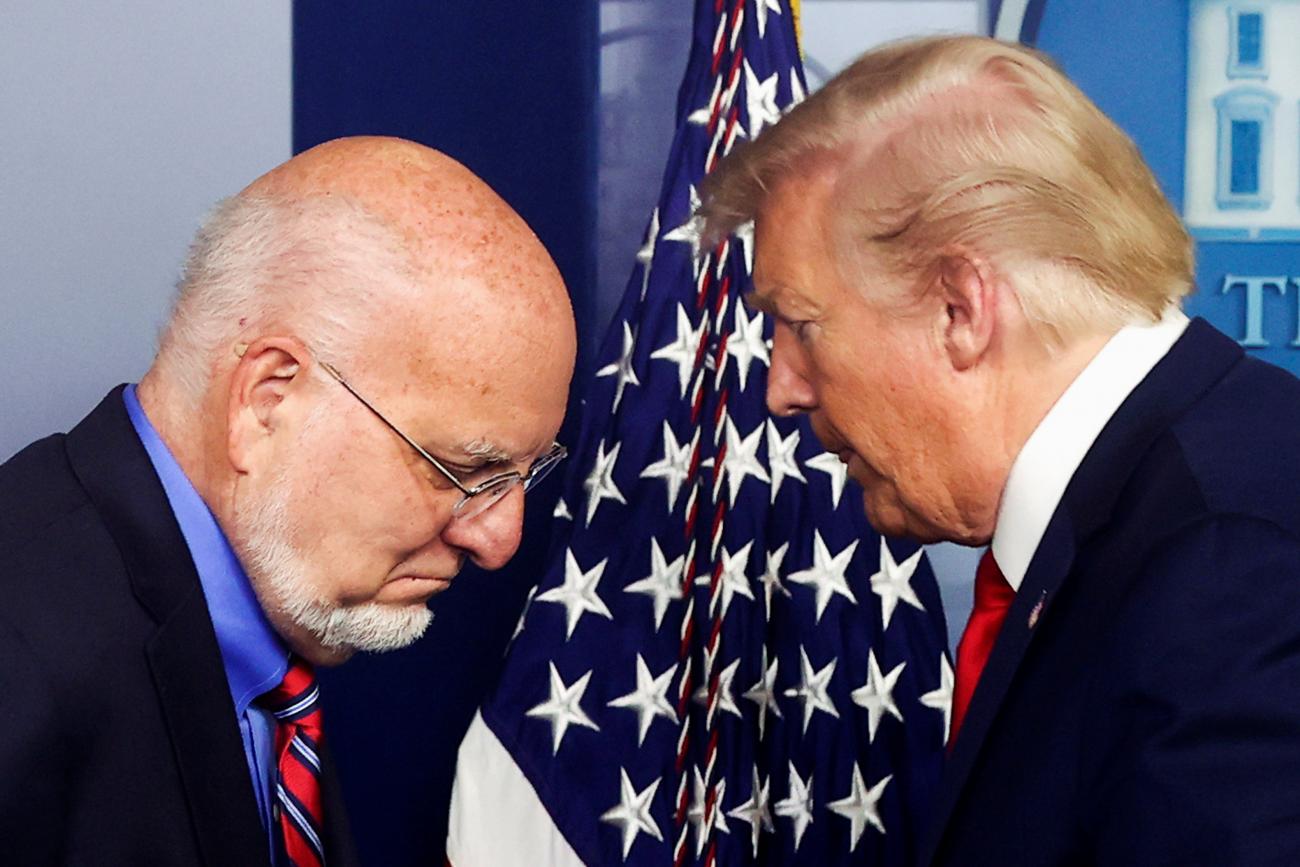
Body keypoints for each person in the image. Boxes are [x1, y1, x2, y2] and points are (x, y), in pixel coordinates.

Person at [700, 35, 1300, 865]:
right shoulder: (1150, 521)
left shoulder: (1227, 564)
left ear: (960, 308)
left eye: (800, 323)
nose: (783, 388)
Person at [0, 136, 576, 866]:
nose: (499, 540)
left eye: (528, 474)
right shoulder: (19, 665)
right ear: (267, 402)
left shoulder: (272, 628)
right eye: (462, 468)